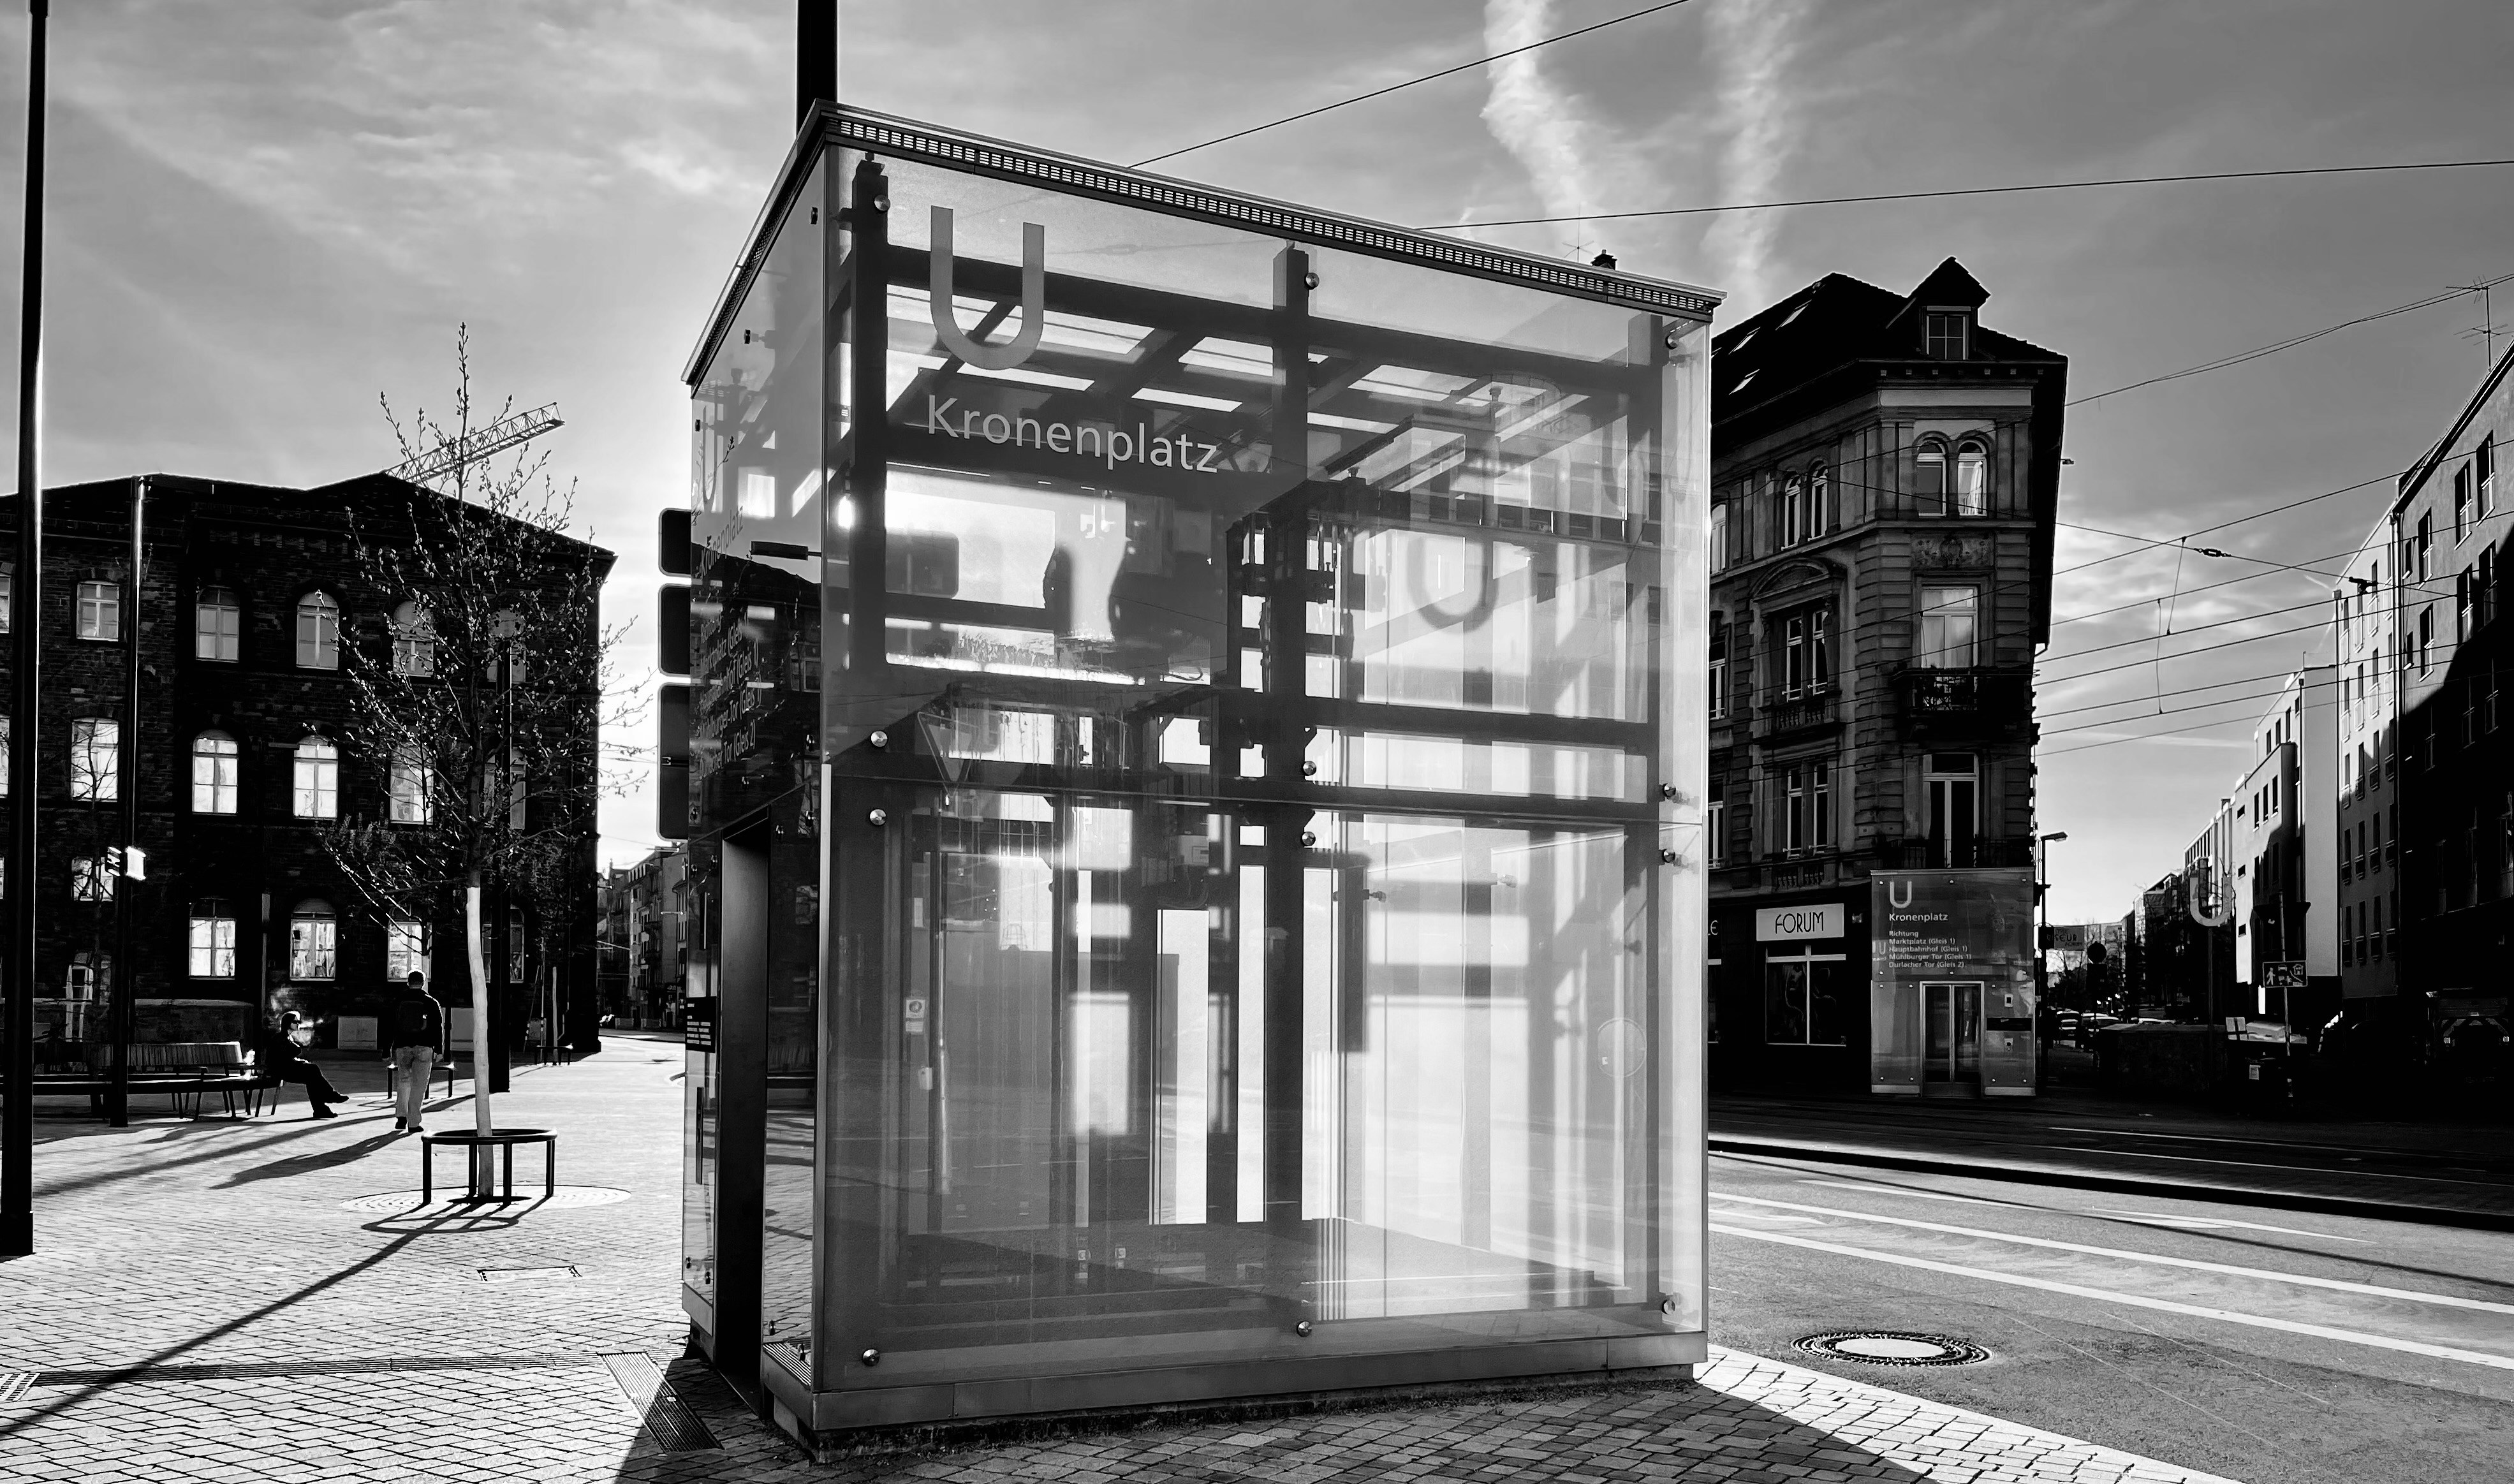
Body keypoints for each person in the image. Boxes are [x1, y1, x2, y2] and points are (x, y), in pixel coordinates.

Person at [256, 1011, 346, 1120]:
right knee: (313, 1069)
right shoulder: (280, 1038)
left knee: (312, 1078)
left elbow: (289, 1057)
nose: (298, 1024)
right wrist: (298, 1058)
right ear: (288, 1023)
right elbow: (283, 1058)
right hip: (281, 1072)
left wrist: (300, 1061)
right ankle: (329, 1097)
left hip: (286, 1069)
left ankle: (321, 1109)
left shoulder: (287, 1037)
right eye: (295, 1022)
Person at [388, 971, 446, 1134]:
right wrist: (439, 1050)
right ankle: (413, 1123)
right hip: (424, 1047)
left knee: (403, 1080)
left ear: (408, 982)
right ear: (423, 982)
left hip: (402, 1046)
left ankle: (401, 1117)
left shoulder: (398, 1000)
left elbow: (390, 1024)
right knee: (419, 1085)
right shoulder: (431, 1002)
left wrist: (388, 1047)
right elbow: (437, 1028)